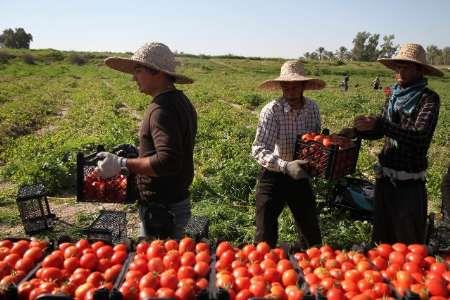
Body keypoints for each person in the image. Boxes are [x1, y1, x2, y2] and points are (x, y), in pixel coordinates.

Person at [341, 43, 443, 244]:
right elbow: (381, 131)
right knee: (382, 237)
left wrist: (381, 124)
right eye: (398, 67)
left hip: (409, 183)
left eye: (406, 67)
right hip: (385, 179)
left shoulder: (428, 99)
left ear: (419, 70)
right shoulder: (393, 96)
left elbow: (419, 137)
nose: (400, 71)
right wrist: (358, 131)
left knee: (407, 241)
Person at [96, 42, 197, 239]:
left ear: (157, 72)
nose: (134, 77)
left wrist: (121, 163)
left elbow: (168, 161)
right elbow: (175, 149)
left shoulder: (162, 110)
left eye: (138, 70)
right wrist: (140, 153)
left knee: (160, 264)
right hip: (175, 201)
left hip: (163, 210)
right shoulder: (180, 101)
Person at [251, 60, 324, 248]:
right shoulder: (272, 110)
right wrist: (285, 166)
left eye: (295, 84)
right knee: (264, 233)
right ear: (281, 85)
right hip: (273, 173)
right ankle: (263, 268)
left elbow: (315, 141)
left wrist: (320, 155)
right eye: (286, 84)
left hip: (300, 174)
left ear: (303, 86)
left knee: (311, 233)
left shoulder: (312, 108)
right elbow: (259, 149)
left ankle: (310, 266)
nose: (290, 88)